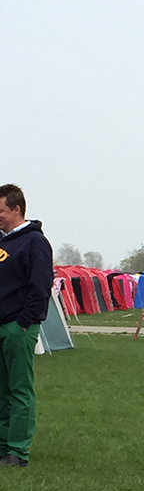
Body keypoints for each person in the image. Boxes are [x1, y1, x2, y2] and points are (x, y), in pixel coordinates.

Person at [0, 184, 54, 468]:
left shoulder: (34, 242)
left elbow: (41, 285)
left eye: (1, 211)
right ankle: (2, 445)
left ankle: (17, 450)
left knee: (19, 389)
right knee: (1, 389)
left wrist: (24, 322)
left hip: (17, 327)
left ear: (16, 209)